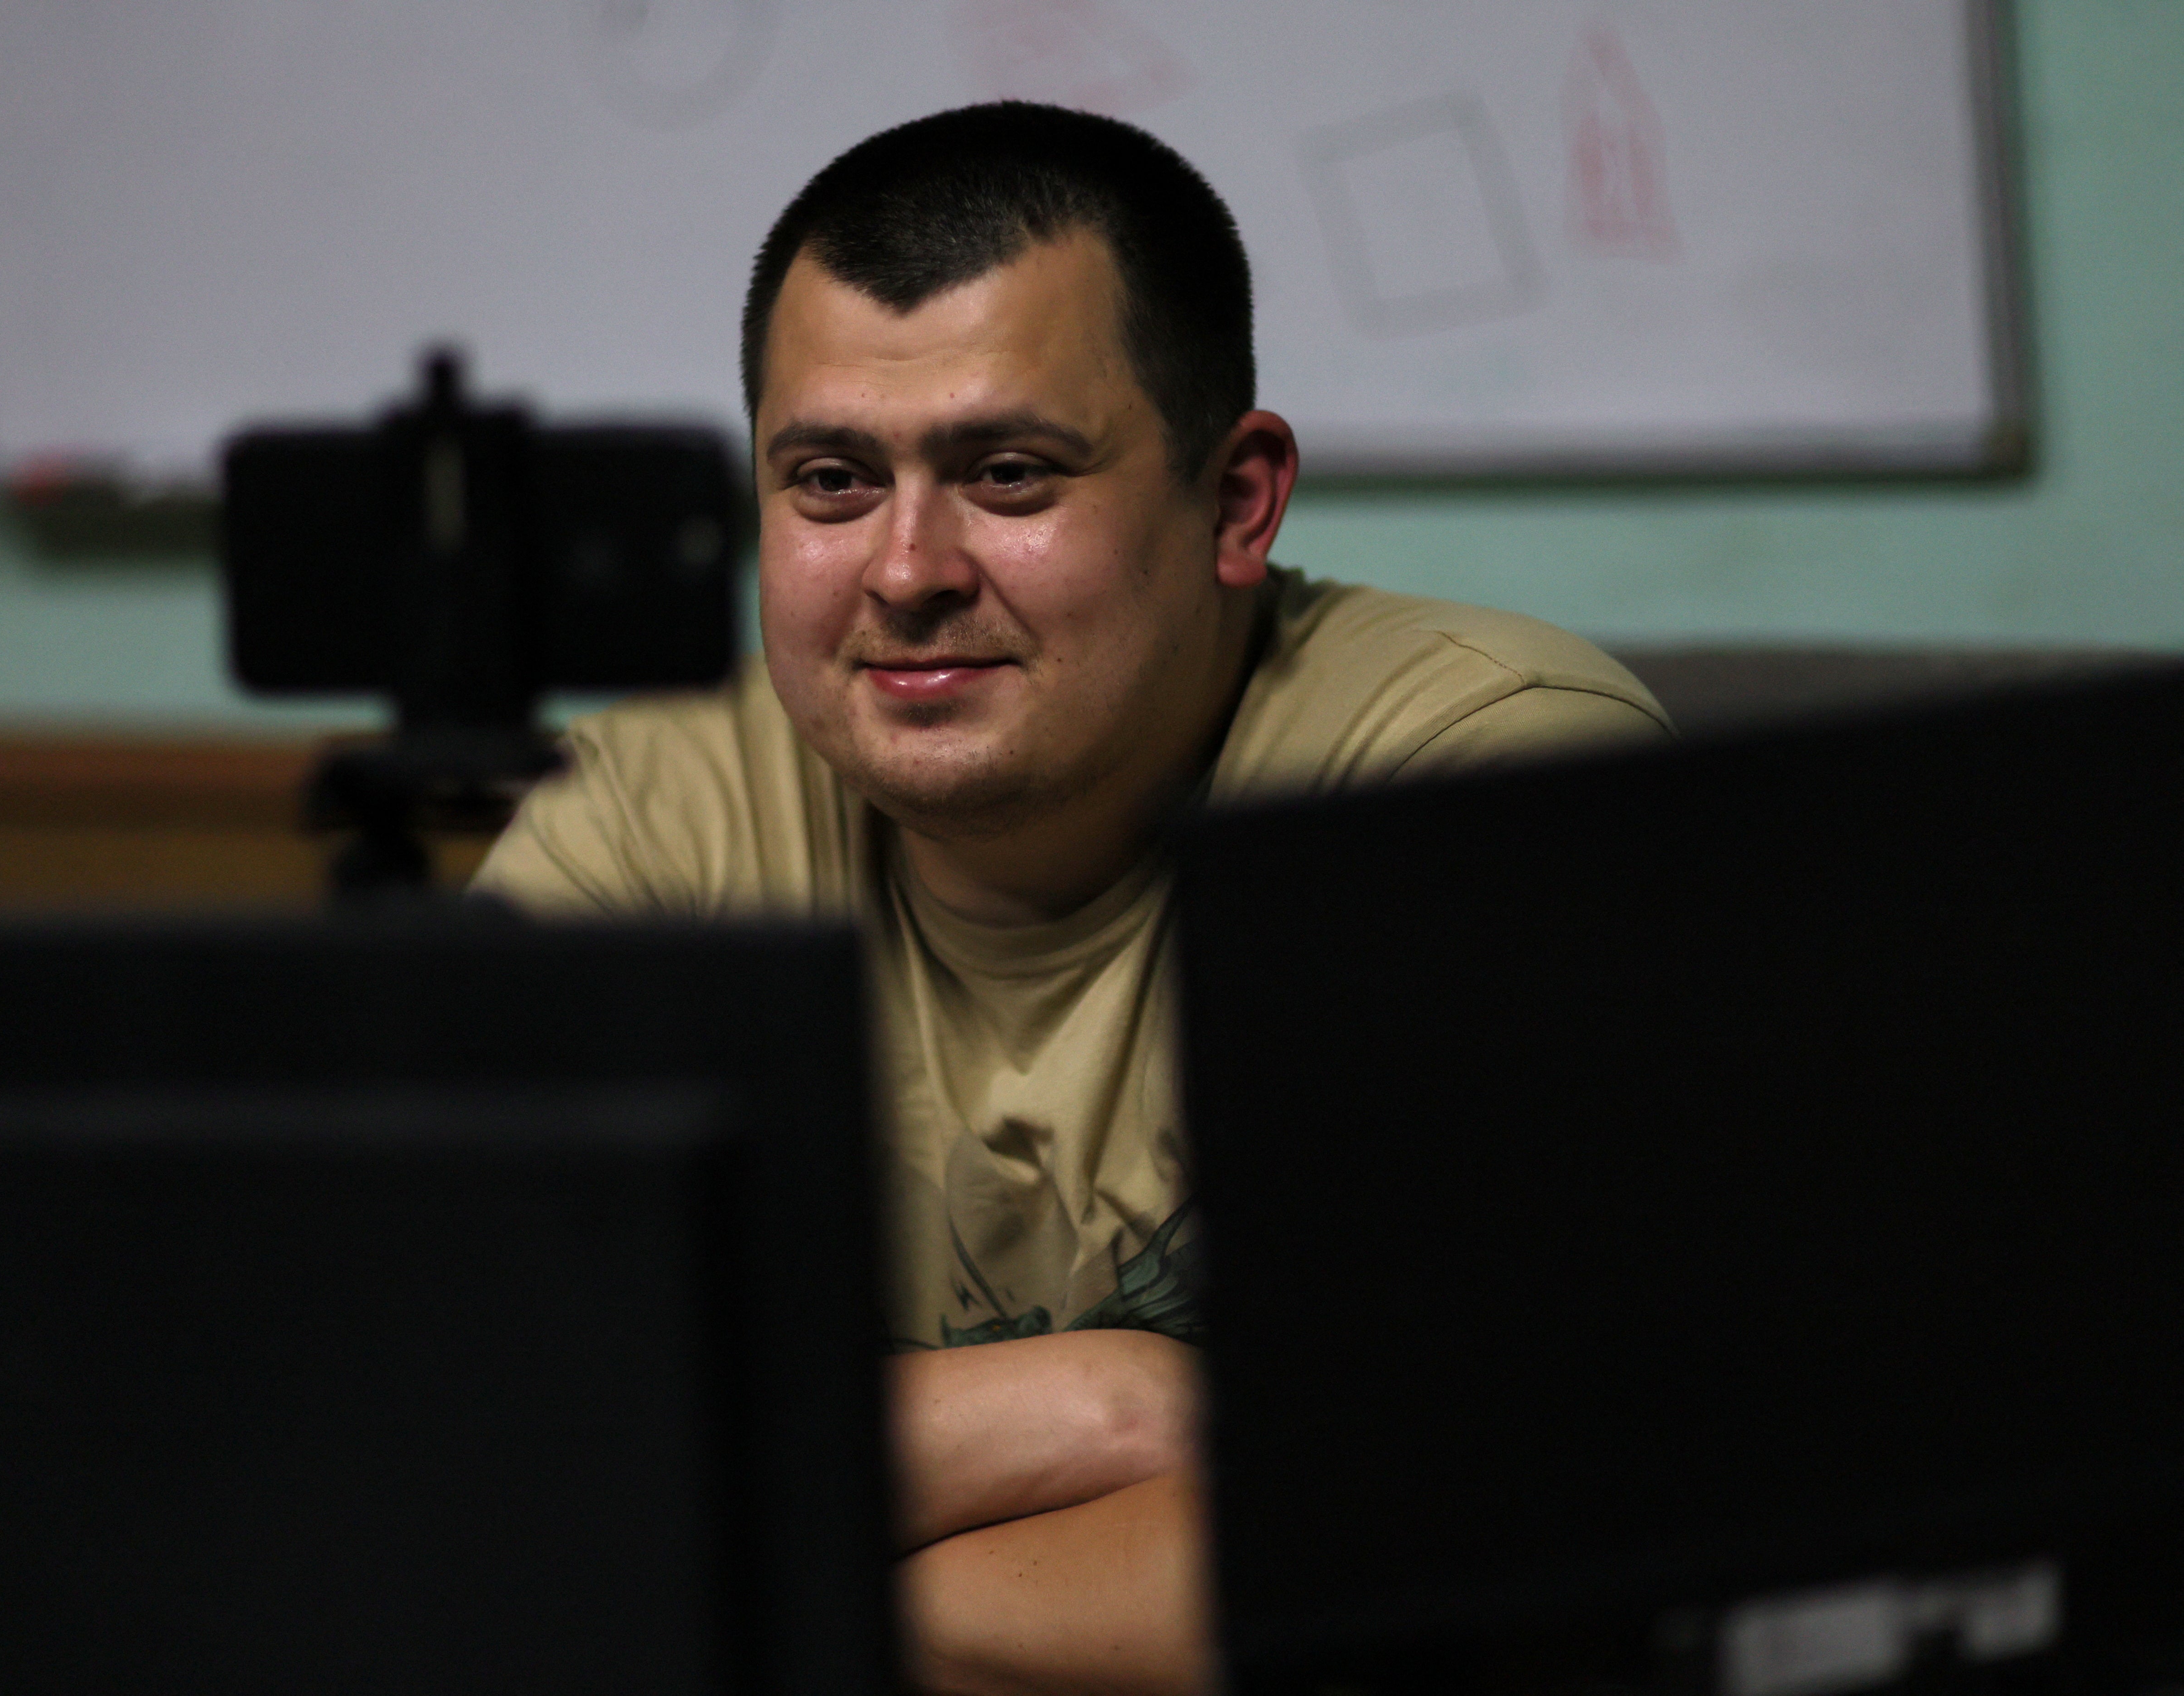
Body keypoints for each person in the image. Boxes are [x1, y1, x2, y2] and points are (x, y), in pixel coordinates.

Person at [474, 101, 1672, 1696]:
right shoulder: (647, 820)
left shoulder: (1471, 782)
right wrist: (1110, 1406)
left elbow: (1474, 1548)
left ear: (1237, 500)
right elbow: (426, 1440)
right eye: (830, 479)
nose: (906, 570)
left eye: (1010, 473)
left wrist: (763, 1603)